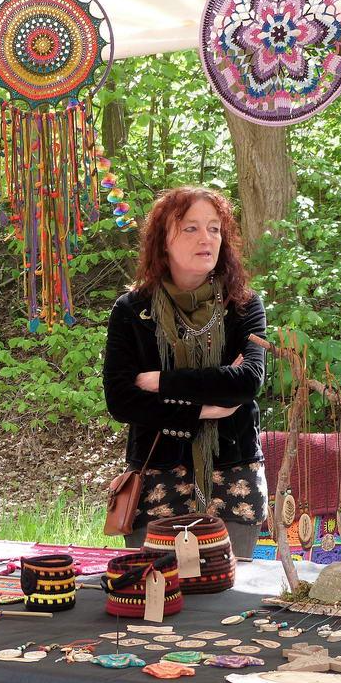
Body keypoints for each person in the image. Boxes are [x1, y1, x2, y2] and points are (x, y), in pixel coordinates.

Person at [103, 186, 268, 558]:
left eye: (214, 228)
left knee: (231, 587)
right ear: (163, 240)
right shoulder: (132, 311)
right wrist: (203, 409)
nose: (206, 238)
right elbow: (122, 400)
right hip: (157, 473)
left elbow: (247, 382)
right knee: (155, 584)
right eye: (190, 228)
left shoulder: (243, 305)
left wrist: (161, 382)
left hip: (234, 473)